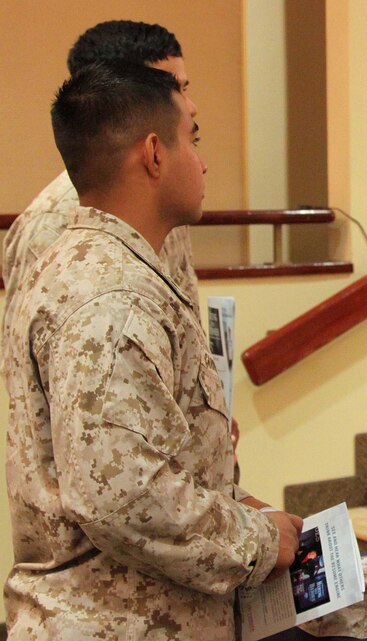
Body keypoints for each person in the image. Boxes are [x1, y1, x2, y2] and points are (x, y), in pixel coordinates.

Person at [2, 61, 302, 640]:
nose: (204, 160)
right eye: (192, 138)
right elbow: (125, 497)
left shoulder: (92, 264)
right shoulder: (110, 296)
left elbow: (140, 452)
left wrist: (238, 505)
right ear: (154, 155)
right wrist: (260, 541)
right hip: (118, 622)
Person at [2, 19, 244, 462]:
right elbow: (75, 415)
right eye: (171, 88)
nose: (189, 106)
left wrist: (205, 416)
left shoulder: (161, 200)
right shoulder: (54, 225)